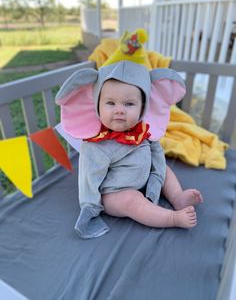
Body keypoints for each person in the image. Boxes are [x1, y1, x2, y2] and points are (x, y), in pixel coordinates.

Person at [56, 60, 203, 239]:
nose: (119, 111)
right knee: (131, 201)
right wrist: (90, 206)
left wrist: (158, 174)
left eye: (129, 104)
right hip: (114, 193)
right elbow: (89, 177)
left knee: (166, 170)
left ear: (143, 107)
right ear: (97, 106)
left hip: (142, 178)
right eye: (110, 103)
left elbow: (157, 158)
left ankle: (177, 197)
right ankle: (171, 218)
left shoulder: (143, 132)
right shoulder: (96, 145)